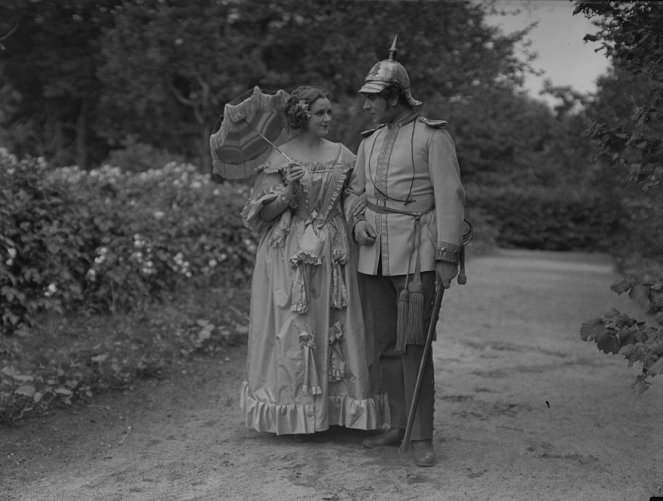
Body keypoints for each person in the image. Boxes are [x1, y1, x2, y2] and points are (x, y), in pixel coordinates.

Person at [239, 85, 389, 435]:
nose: (327, 119)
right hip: (289, 252)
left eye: (329, 112)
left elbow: (354, 200)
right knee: (293, 328)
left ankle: (339, 410)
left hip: (335, 249)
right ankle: (296, 412)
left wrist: (359, 224)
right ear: (302, 116)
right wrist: (289, 194)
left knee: (341, 323)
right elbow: (262, 216)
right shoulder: (277, 158)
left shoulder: (343, 155)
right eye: (320, 112)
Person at [343, 38, 465, 466]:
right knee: (384, 345)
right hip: (372, 257)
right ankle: (397, 423)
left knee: (414, 345)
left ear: (395, 97)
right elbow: (355, 192)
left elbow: (450, 197)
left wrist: (447, 256)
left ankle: (421, 436)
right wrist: (357, 222)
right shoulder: (369, 141)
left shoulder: (433, 136)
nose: (366, 106)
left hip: (418, 255)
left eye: (373, 99)